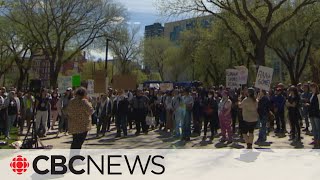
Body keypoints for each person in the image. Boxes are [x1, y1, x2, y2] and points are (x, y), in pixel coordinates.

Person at [307, 83, 320, 149]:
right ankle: (315, 140)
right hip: (311, 113)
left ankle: (318, 141)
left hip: (316, 114)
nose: (311, 88)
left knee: (318, 128)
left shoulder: (318, 95)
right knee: (314, 128)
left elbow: (318, 105)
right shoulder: (312, 95)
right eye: (311, 87)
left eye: (312, 87)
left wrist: (310, 105)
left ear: (315, 87)